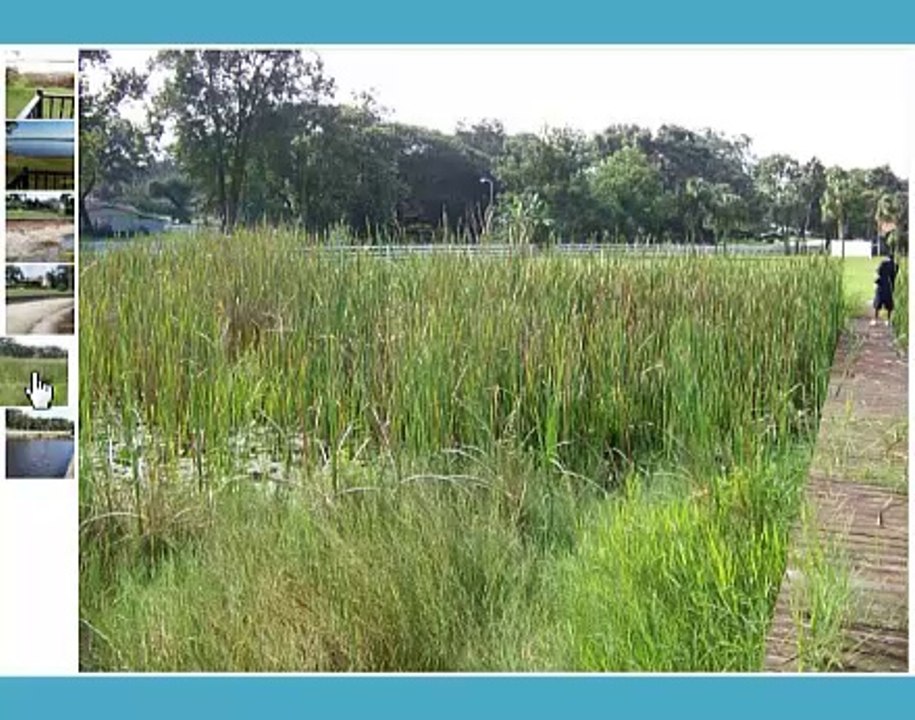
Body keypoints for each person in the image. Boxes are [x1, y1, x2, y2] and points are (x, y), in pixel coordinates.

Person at [872, 250, 899, 327]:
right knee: (889, 305)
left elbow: (878, 272)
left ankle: (875, 320)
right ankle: (888, 320)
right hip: (890, 287)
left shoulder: (883, 263)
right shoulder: (895, 265)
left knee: (877, 304)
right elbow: (895, 275)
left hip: (881, 286)